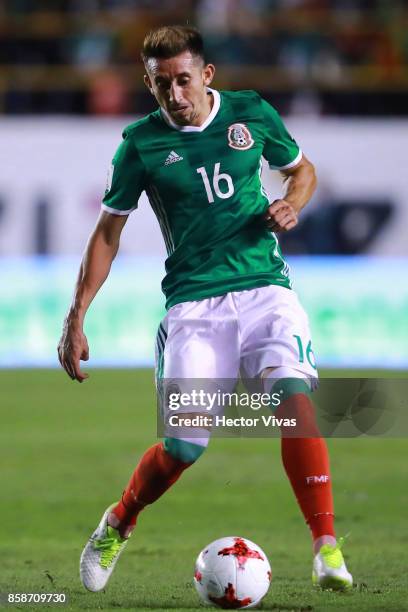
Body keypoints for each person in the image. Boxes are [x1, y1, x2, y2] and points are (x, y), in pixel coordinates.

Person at [58, 25, 352, 597]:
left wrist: (291, 204)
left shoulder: (249, 115)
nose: (175, 95)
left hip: (267, 289)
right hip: (195, 305)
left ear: (206, 75)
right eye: (161, 83)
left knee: (296, 403)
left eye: (184, 80)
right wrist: (77, 315)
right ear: (149, 83)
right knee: (184, 447)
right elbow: (107, 233)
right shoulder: (140, 144)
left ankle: (327, 547)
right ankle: (119, 520)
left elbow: (302, 170)